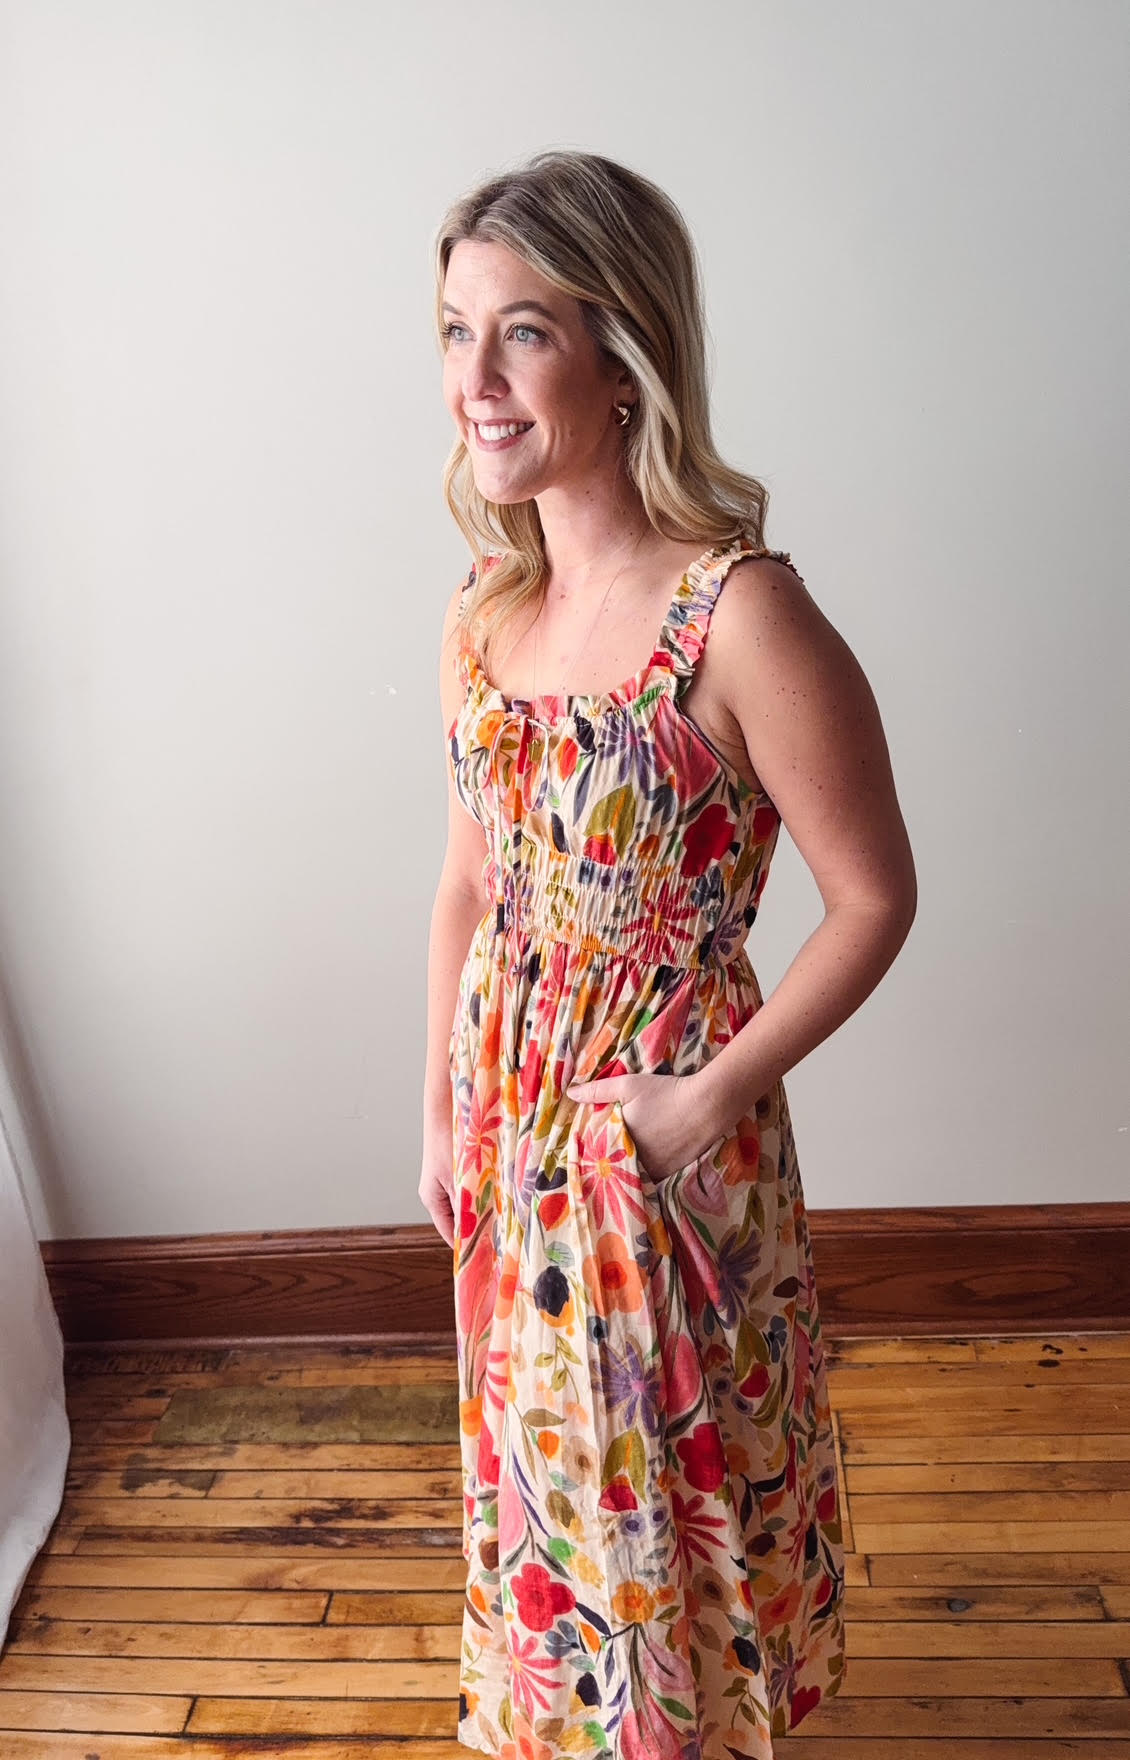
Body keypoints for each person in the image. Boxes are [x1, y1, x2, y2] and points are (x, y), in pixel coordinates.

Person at [420, 149, 916, 1760]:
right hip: (508, 1120)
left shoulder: (740, 615)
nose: (473, 382)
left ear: (624, 355)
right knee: (544, 1487)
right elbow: (468, 887)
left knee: (653, 1494)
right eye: (451, 332)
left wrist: (703, 1103)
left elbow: (871, 898)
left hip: (658, 1127)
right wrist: (437, 1110)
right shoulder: (481, 617)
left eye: (522, 334)